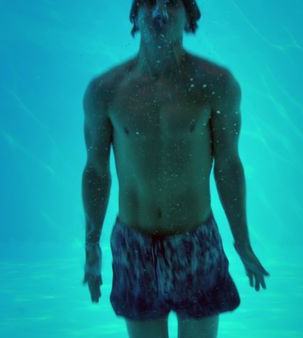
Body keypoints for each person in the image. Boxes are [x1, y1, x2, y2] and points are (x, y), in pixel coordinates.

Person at [82, 1, 269, 337]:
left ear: (189, 15)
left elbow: (227, 165)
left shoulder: (216, 84)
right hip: (134, 245)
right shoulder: (106, 91)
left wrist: (242, 242)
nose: (160, 13)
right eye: (150, 2)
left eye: (171, 2)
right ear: (136, 14)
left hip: (196, 242)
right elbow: (96, 170)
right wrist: (91, 245)